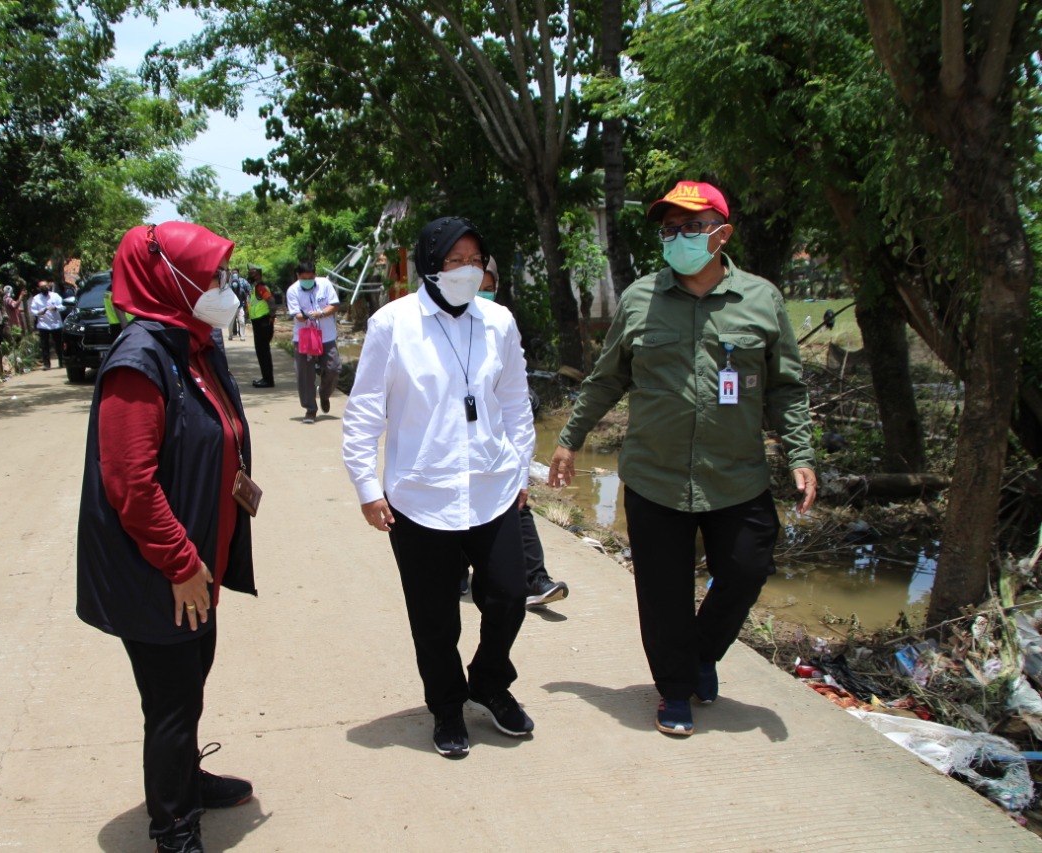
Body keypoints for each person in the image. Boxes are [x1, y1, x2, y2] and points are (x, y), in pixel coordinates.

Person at [547, 180, 817, 738]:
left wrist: (800, 452)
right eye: (670, 228)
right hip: (655, 476)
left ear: (722, 232)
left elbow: (786, 387)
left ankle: (699, 655)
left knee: (747, 567)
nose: (679, 237)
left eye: (692, 226)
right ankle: (674, 691)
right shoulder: (640, 298)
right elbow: (607, 378)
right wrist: (569, 438)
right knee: (663, 593)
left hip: (736, 475)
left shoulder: (761, 299)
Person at [76, 221, 257, 853]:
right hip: (161, 568)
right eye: (209, 276)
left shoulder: (193, 345)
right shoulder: (140, 359)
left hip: (194, 559)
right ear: (168, 279)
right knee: (172, 700)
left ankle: (187, 779)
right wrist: (181, 563)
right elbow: (129, 479)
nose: (221, 287)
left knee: (191, 677)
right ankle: (173, 826)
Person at [342, 216, 536, 758]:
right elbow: (364, 413)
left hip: (493, 487)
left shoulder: (498, 321)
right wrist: (366, 486)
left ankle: (490, 683)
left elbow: (516, 400)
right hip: (419, 497)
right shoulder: (393, 324)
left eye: (476, 261)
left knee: (510, 597)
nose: (467, 272)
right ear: (430, 264)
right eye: (455, 262)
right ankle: (447, 708)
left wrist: (521, 466)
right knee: (433, 618)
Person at [455, 259, 570, 608]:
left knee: (517, 508)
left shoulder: (502, 322)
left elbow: (515, 388)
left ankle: (536, 579)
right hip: (452, 445)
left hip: (497, 442)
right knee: (458, 508)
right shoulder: (437, 325)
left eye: (487, 284)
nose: (481, 291)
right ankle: (456, 571)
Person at [286, 262, 340, 423]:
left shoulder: (325, 284)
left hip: (326, 335)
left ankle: (324, 393)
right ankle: (310, 409)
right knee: (305, 374)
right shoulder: (293, 290)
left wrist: (321, 313)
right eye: (304, 278)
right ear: (298, 276)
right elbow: (297, 315)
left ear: (315, 275)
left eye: (311, 278)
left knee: (334, 367)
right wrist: (308, 316)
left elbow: (334, 305)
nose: (308, 281)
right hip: (305, 337)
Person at [247, 268, 279, 388]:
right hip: (260, 323)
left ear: (258, 275)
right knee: (262, 352)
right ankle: (266, 378)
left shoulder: (261, 288)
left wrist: (271, 317)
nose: (250, 275)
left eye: (252, 274)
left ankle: (268, 380)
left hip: (263, 323)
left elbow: (271, 302)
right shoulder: (257, 288)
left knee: (263, 352)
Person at [30, 280, 64, 369]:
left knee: (59, 345)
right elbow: (33, 310)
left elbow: (63, 306)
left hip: (56, 324)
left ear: (48, 286)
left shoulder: (55, 296)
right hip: (43, 325)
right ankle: (46, 364)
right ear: (39, 288)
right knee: (45, 345)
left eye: (45, 286)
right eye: (42, 287)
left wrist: (55, 307)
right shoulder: (36, 298)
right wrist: (39, 312)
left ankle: (62, 362)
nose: (44, 288)